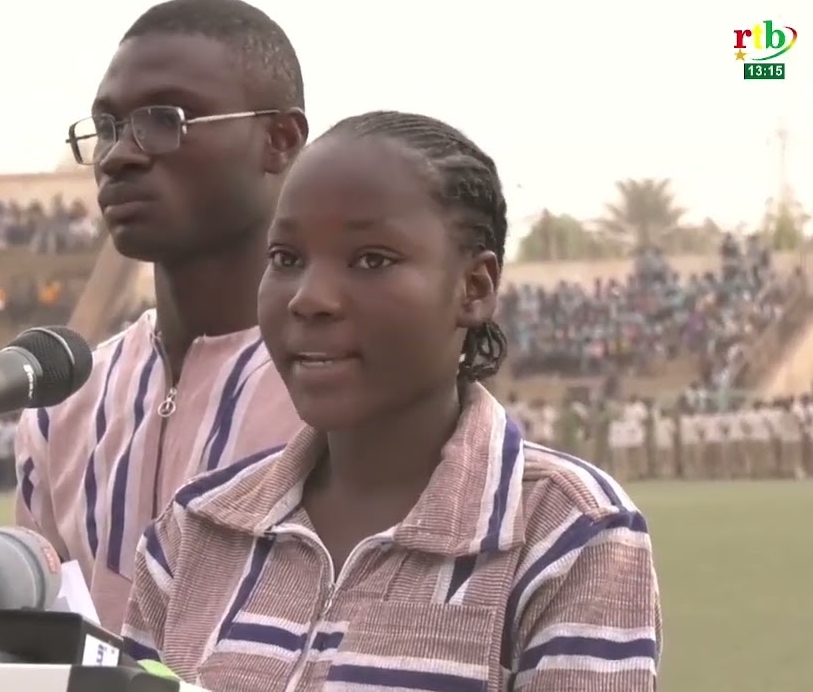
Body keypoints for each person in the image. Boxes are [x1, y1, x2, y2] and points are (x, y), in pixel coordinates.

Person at [122, 111, 662, 691]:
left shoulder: (568, 533)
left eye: (371, 260)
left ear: (473, 288)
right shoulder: (196, 529)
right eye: (285, 259)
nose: (309, 298)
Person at [14, 0, 308, 631]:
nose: (118, 155)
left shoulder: (353, 395)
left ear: (279, 140)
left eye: (164, 120)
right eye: (108, 127)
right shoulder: (63, 405)